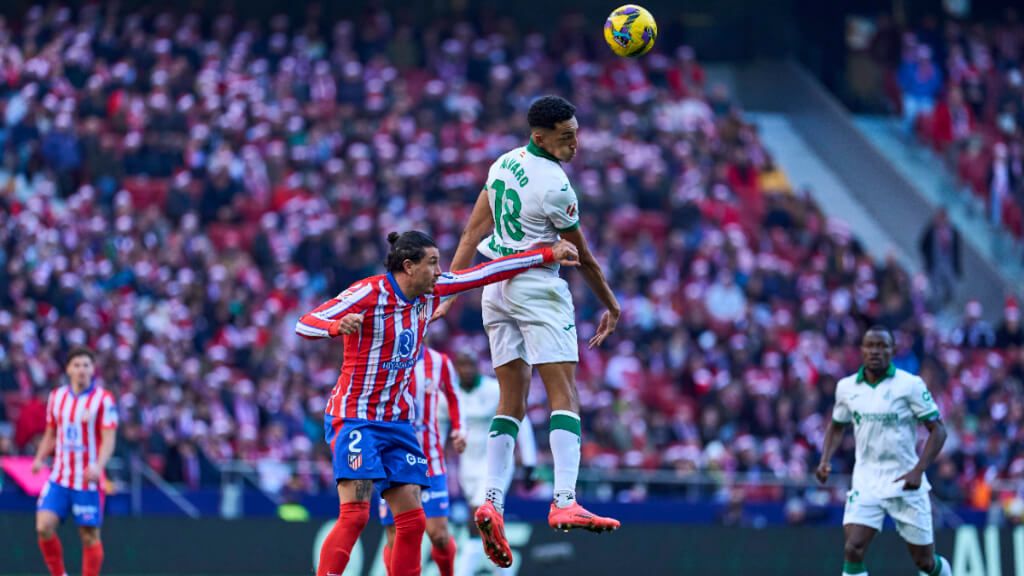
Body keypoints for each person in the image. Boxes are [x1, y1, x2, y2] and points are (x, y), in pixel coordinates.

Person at [297, 230, 578, 576]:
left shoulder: (431, 294)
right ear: (408, 266)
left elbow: (487, 272)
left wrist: (547, 255)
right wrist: (337, 325)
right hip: (356, 419)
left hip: (398, 424)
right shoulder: (369, 293)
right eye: (432, 263)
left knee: (414, 522)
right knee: (355, 515)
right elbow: (305, 322)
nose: (439, 270)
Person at [434, 95, 620, 569]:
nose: (575, 143)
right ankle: (564, 498)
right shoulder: (556, 186)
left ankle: (491, 501)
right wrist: (611, 306)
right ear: (541, 137)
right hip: (537, 288)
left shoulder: (502, 166)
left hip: (494, 286)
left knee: (510, 401)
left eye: (576, 132)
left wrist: (452, 292)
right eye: (565, 136)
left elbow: (469, 238)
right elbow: (586, 259)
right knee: (564, 393)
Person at [816, 326, 951, 576]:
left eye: (882, 346)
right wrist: (825, 460)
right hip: (866, 480)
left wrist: (918, 470)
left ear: (893, 351)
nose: (875, 352)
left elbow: (939, 430)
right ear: (862, 350)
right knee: (853, 549)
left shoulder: (910, 385)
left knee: (924, 562)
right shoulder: (846, 388)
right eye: (870, 346)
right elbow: (836, 426)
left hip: (905, 480)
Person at [378, 346, 467, 576]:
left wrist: (459, 428)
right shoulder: (385, 357)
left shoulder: (439, 361)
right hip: (393, 461)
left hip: (430, 461)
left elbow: (454, 396)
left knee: (438, 535)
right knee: (395, 535)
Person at [33, 347, 119, 576]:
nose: (82, 370)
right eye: (77, 365)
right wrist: (40, 458)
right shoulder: (57, 397)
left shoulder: (103, 400)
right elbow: (51, 433)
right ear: (68, 369)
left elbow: (109, 439)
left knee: (89, 535)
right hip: (60, 476)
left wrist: (98, 466)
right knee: (43, 526)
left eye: (86, 365)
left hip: (87, 480)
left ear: (93, 370)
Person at [451, 351, 537, 576]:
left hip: (495, 463)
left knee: (480, 517)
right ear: (456, 368)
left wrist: (529, 461)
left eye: (470, 364)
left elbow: (521, 419)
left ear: (477, 366)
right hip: (467, 465)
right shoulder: (451, 394)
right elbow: (440, 426)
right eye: (462, 365)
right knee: (489, 523)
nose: (466, 370)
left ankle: (463, 571)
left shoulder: (493, 389)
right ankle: (504, 570)